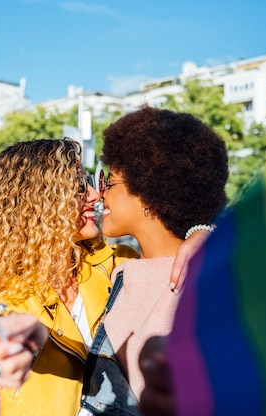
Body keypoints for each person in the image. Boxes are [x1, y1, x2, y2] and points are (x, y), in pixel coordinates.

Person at [0, 138, 207, 416]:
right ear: (38, 202)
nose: (95, 195)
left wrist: (202, 232)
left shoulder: (119, 262)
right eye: (81, 187)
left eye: (91, 182)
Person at [79, 106, 229, 415]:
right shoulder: (121, 269)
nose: (99, 193)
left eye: (109, 181)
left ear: (147, 193)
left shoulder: (196, 281)